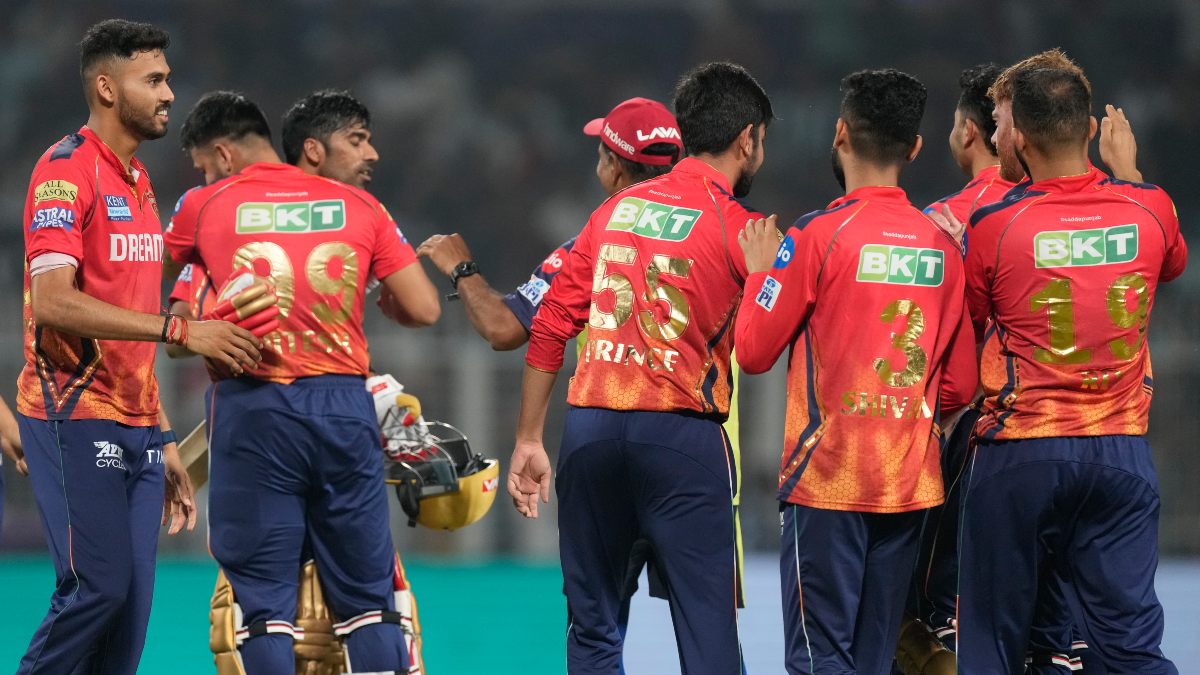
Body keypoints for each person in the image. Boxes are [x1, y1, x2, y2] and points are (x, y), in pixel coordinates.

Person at [508, 62, 772, 674]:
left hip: (590, 432)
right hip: (682, 439)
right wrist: (762, 278)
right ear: (748, 139)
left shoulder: (612, 212)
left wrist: (527, 438)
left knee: (594, 628)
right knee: (707, 635)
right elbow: (759, 352)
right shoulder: (744, 230)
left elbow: (548, 325)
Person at [163, 92, 439, 674]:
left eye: (205, 165)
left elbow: (163, 308)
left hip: (252, 408)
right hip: (344, 405)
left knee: (264, 608)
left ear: (221, 154)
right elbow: (424, 309)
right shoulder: (360, 206)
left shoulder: (205, 206)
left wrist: (202, 323)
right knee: (370, 604)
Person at [15, 20, 259, 675]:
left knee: (127, 628)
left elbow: (123, 313)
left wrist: (159, 428)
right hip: (73, 407)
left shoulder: (140, 181)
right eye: (152, 79)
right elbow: (54, 301)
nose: (169, 93)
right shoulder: (65, 171)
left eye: (167, 78)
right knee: (97, 588)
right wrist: (181, 329)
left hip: (137, 424)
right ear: (105, 86)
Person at [733, 69, 976, 675]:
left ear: (840, 133)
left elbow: (754, 352)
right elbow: (962, 385)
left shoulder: (815, 236)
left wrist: (762, 274)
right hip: (909, 486)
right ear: (915, 148)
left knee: (820, 660)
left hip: (828, 482)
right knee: (873, 661)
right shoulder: (942, 245)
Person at [955, 64, 1185, 673]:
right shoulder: (1152, 208)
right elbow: (1169, 262)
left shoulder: (994, 225)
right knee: (1130, 651)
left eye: (1003, 126)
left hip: (1019, 454)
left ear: (1020, 140)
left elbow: (972, 316)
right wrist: (1129, 174)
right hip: (1121, 456)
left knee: (993, 646)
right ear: (1089, 128)